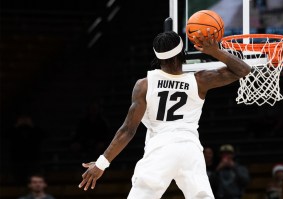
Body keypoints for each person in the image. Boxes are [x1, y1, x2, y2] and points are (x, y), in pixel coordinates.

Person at [78, 29, 251, 199]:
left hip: (160, 149)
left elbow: (127, 131)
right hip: (190, 150)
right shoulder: (199, 80)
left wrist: (101, 163)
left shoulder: (144, 84)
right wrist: (214, 51)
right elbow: (243, 70)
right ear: (182, 52)